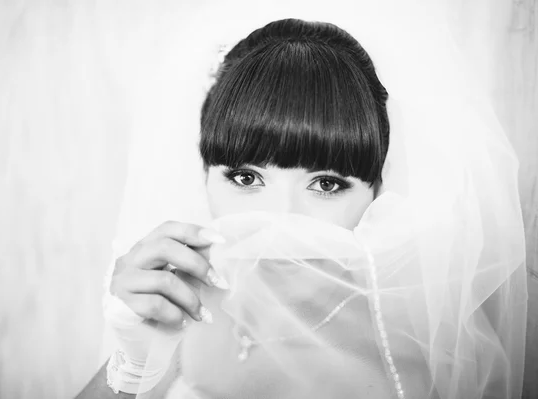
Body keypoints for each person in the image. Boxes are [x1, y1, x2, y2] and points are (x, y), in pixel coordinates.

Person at [76, 17, 527, 399]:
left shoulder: (431, 343)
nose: (281, 219)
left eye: (326, 184)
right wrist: (131, 365)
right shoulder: (178, 303)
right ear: (206, 176)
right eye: (246, 178)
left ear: (377, 189)